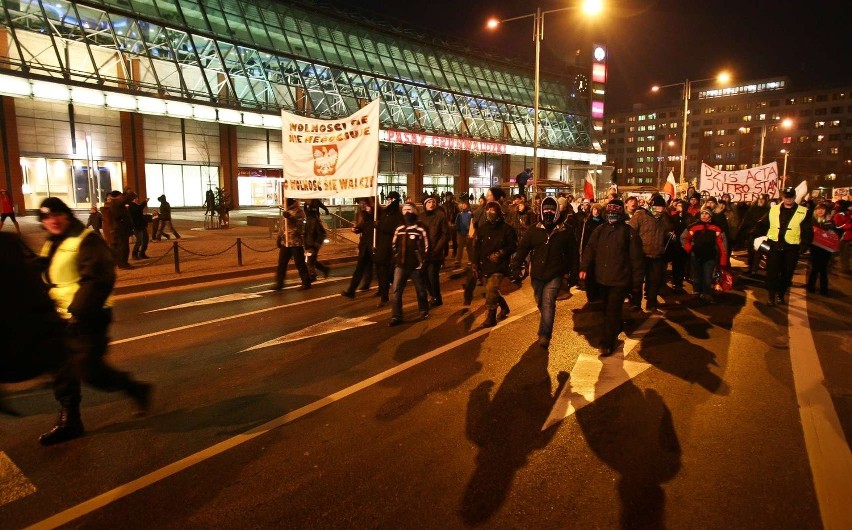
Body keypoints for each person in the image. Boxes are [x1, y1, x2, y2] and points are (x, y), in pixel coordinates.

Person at [35, 198, 151, 445]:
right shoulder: (53, 242)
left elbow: (99, 279)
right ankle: (70, 420)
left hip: (88, 316)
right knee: (62, 369)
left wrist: (79, 312)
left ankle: (134, 388)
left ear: (67, 215)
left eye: (57, 215)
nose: (52, 221)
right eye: (46, 218)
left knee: (90, 370)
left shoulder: (87, 240)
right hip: (59, 316)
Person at [579, 200, 644, 356]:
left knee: (612, 310)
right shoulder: (600, 230)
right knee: (607, 308)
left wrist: (637, 282)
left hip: (620, 279)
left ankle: (607, 342)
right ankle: (617, 325)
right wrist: (584, 267)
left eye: (615, 213)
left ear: (620, 214)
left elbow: (636, 259)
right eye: (609, 213)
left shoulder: (628, 232)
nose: (612, 216)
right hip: (602, 278)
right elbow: (590, 249)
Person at [511, 197, 578, 348]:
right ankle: (546, 321)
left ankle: (545, 334)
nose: (548, 212)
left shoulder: (565, 231)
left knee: (548, 302)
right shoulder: (534, 230)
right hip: (537, 275)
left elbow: (573, 254)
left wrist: (574, 272)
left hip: (555, 274)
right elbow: (523, 248)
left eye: (552, 210)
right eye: (546, 209)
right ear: (541, 211)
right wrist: (516, 265)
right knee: (540, 301)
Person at [759, 186, 812, 306]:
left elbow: (807, 230)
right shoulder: (773, 209)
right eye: (786, 197)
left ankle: (781, 295)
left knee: (787, 273)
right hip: (774, 245)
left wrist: (804, 245)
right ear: (783, 197)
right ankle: (771, 296)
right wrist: (754, 236)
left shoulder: (803, 211)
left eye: (791, 197)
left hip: (791, 247)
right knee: (772, 272)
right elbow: (763, 224)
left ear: (794, 197)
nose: (788, 199)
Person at [471, 201, 516, 328]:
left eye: (493, 210)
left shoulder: (507, 229)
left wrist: (500, 253)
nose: (489, 212)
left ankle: (491, 317)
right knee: (491, 289)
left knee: (491, 289)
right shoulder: (482, 229)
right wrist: (474, 263)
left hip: (499, 265)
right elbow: (476, 247)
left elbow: (513, 245)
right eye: (488, 210)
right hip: (485, 264)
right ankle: (505, 307)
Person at [629, 194, 673, 312]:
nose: (659, 211)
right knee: (637, 281)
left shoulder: (664, 218)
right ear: (652, 207)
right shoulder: (640, 215)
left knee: (654, 281)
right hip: (641, 254)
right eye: (657, 208)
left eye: (661, 209)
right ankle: (635, 304)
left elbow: (669, 229)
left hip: (657, 254)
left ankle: (651, 303)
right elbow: (631, 232)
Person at [389, 202, 430, 326]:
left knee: (421, 290)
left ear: (415, 212)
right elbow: (394, 245)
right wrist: (397, 258)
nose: (407, 212)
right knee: (396, 291)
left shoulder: (420, 229)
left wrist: (422, 262)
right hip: (401, 266)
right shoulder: (399, 229)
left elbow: (427, 247)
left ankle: (423, 310)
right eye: (405, 209)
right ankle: (396, 316)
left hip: (415, 266)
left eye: (409, 210)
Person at [681, 207, 728, 304]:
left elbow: (722, 245)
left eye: (706, 214)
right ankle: (697, 292)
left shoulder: (716, 228)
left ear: (710, 216)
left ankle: (706, 293)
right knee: (697, 276)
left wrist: (723, 259)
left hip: (710, 256)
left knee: (707, 276)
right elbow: (684, 238)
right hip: (696, 255)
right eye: (702, 213)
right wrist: (690, 249)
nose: (704, 215)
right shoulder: (693, 226)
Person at [274, 198, 311, 291]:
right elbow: (282, 226)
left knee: (300, 263)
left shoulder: (299, 211)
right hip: (285, 242)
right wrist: (279, 237)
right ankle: (279, 283)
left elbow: (301, 225)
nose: (283, 203)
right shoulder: (285, 211)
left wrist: (291, 217)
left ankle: (306, 282)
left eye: (285, 201)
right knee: (282, 264)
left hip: (296, 242)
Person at [374, 192, 404, 307]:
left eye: (390, 199)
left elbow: (393, 227)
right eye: (388, 198)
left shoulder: (397, 214)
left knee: (391, 274)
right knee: (382, 273)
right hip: (382, 247)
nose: (388, 200)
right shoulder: (385, 212)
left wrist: (379, 225)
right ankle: (384, 296)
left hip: (391, 248)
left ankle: (395, 297)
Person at [341, 198, 375, 298]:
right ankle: (351, 291)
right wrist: (357, 229)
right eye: (360, 204)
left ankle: (384, 289)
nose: (362, 206)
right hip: (364, 245)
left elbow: (373, 225)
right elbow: (364, 226)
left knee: (379, 267)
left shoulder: (377, 211)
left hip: (374, 244)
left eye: (363, 203)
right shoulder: (362, 212)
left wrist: (371, 213)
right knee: (360, 268)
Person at [419, 195, 449, 307]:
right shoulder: (420, 217)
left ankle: (437, 297)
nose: (431, 204)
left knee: (432, 276)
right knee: (424, 276)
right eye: (428, 202)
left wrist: (436, 250)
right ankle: (432, 295)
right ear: (425, 205)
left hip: (435, 253)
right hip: (423, 253)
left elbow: (445, 235)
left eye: (433, 202)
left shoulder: (440, 216)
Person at [806, 203, 834, 295]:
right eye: (818, 209)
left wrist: (828, 224)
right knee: (814, 268)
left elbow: (833, 232)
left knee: (823, 269)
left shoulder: (829, 221)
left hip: (825, 249)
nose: (820, 211)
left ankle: (824, 289)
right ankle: (811, 287)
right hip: (815, 248)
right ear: (815, 211)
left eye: (822, 209)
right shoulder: (811, 220)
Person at [304, 199, 330, 281]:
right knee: (312, 260)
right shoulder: (307, 220)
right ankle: (324, 269)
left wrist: (316, 244)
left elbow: (322, 233)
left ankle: (312, 275)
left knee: (310, 261)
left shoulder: (315, 220)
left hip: (313, 244)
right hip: (308, 243)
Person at [108, 190, 133, 268]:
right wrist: (130, 193)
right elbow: (126, 199)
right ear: (118, 196)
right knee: (123, 246)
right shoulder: (115, 203)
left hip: (121, 227)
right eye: (121, 196)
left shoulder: (114, 203)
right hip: (121, 228)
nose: (122, 197)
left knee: (122, 246)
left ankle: (121, 262)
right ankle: (123, 263)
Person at [127, 193, 150, 260]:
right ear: (133, 199)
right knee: (139, 240)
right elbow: (138, 209)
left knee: (146, 239)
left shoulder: (136, 205)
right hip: (137, 226)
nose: (137, 199)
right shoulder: (131, 206)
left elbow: (139, 210)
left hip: (142, 225)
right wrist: (145, 202)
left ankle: (142, 253)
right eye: (136, 198)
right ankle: (134, 254)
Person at [454, 198, 472, 267]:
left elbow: (472, 223)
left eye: (465, 205)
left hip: (468, 233)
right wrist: (458, 229)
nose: (463, 206)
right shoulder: (459, 214)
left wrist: (470, 230)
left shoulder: (470, 214)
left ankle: (470, 260)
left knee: (469, 247)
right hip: (460, 233)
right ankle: (458, 260)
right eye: (463, 205)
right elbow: (457, 222)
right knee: (460, 247)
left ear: (467, 206)